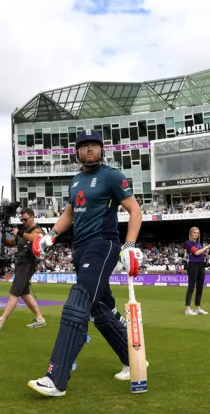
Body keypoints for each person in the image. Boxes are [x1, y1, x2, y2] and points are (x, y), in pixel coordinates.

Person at [27, 129, 144, 398]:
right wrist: (52, 236)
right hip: (80, 249)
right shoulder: (75, 181)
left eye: (94, 146)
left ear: (102, 150)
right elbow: (70, 211)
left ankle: (56, 379)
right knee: (101, 308)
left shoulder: (111, 176)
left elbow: (135, 210)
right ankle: (133, 361)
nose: (90, 150)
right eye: (85, 146)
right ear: (77, 152)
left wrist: (129, 245)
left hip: (103, 245)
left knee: (78, 302)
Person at [0, 208, 46, 330]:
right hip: (21, 264)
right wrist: (4, 239)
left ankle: (1, 321)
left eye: (25, 219)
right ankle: (40, 318)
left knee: (13, 294)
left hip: (27, 264)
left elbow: (34, 239)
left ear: (32, 217)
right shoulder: (24, 231)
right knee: (25, 294)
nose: (23, 221)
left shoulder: (37, 230)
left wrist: (19, 233)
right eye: (21, 219)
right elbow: (12, 243)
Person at [184, 227, 210, 315]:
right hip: (193, 265)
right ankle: (188, 309)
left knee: (200, 287)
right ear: (191, 233)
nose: (196, 234)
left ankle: (197, 307)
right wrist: (207, 247)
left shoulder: (198, 243)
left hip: (201, 265)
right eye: (194, 233)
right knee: (191, 287)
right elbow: (196, 253)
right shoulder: (189, 243)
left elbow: (200, 253)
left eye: (197, 233)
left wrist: (206, 256)